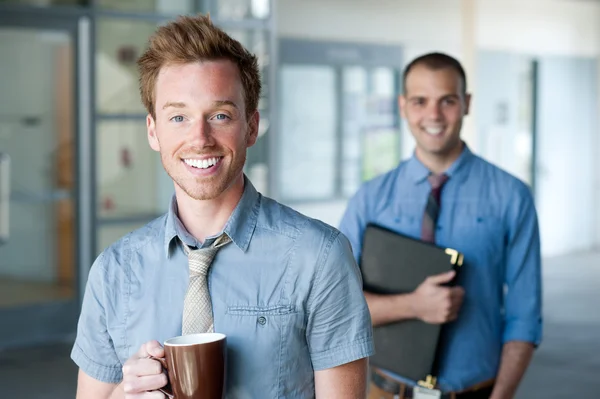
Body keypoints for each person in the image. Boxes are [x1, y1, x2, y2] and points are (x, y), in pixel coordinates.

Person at [72, 14, 374, 399]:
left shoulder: (320, 257)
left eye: (220, 116)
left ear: (251, 127)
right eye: (178, 117)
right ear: (153, 130)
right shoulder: (113, 271)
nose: (200, 139)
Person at [339, 52, 542, 399]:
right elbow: (337, 305)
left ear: (466, 103)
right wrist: (414, 305)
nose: (433, 115)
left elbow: (525, 316)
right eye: (420, 101)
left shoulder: (511, 196)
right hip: (384, 391)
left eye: (447, 101)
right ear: (404, 106)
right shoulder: (370, 199)